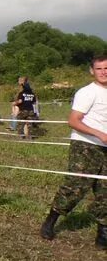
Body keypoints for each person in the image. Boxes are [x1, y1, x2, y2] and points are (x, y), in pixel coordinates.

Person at [40, 55, 107, 249]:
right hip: (86, 145)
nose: (104, 72)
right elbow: (74, 121)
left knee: (105, 190)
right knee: (76, 185)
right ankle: (51, 221)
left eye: (106, 68)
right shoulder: (87, 92)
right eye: (99, 68)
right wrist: (100, 134)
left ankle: (103, 234)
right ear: (92, 71)